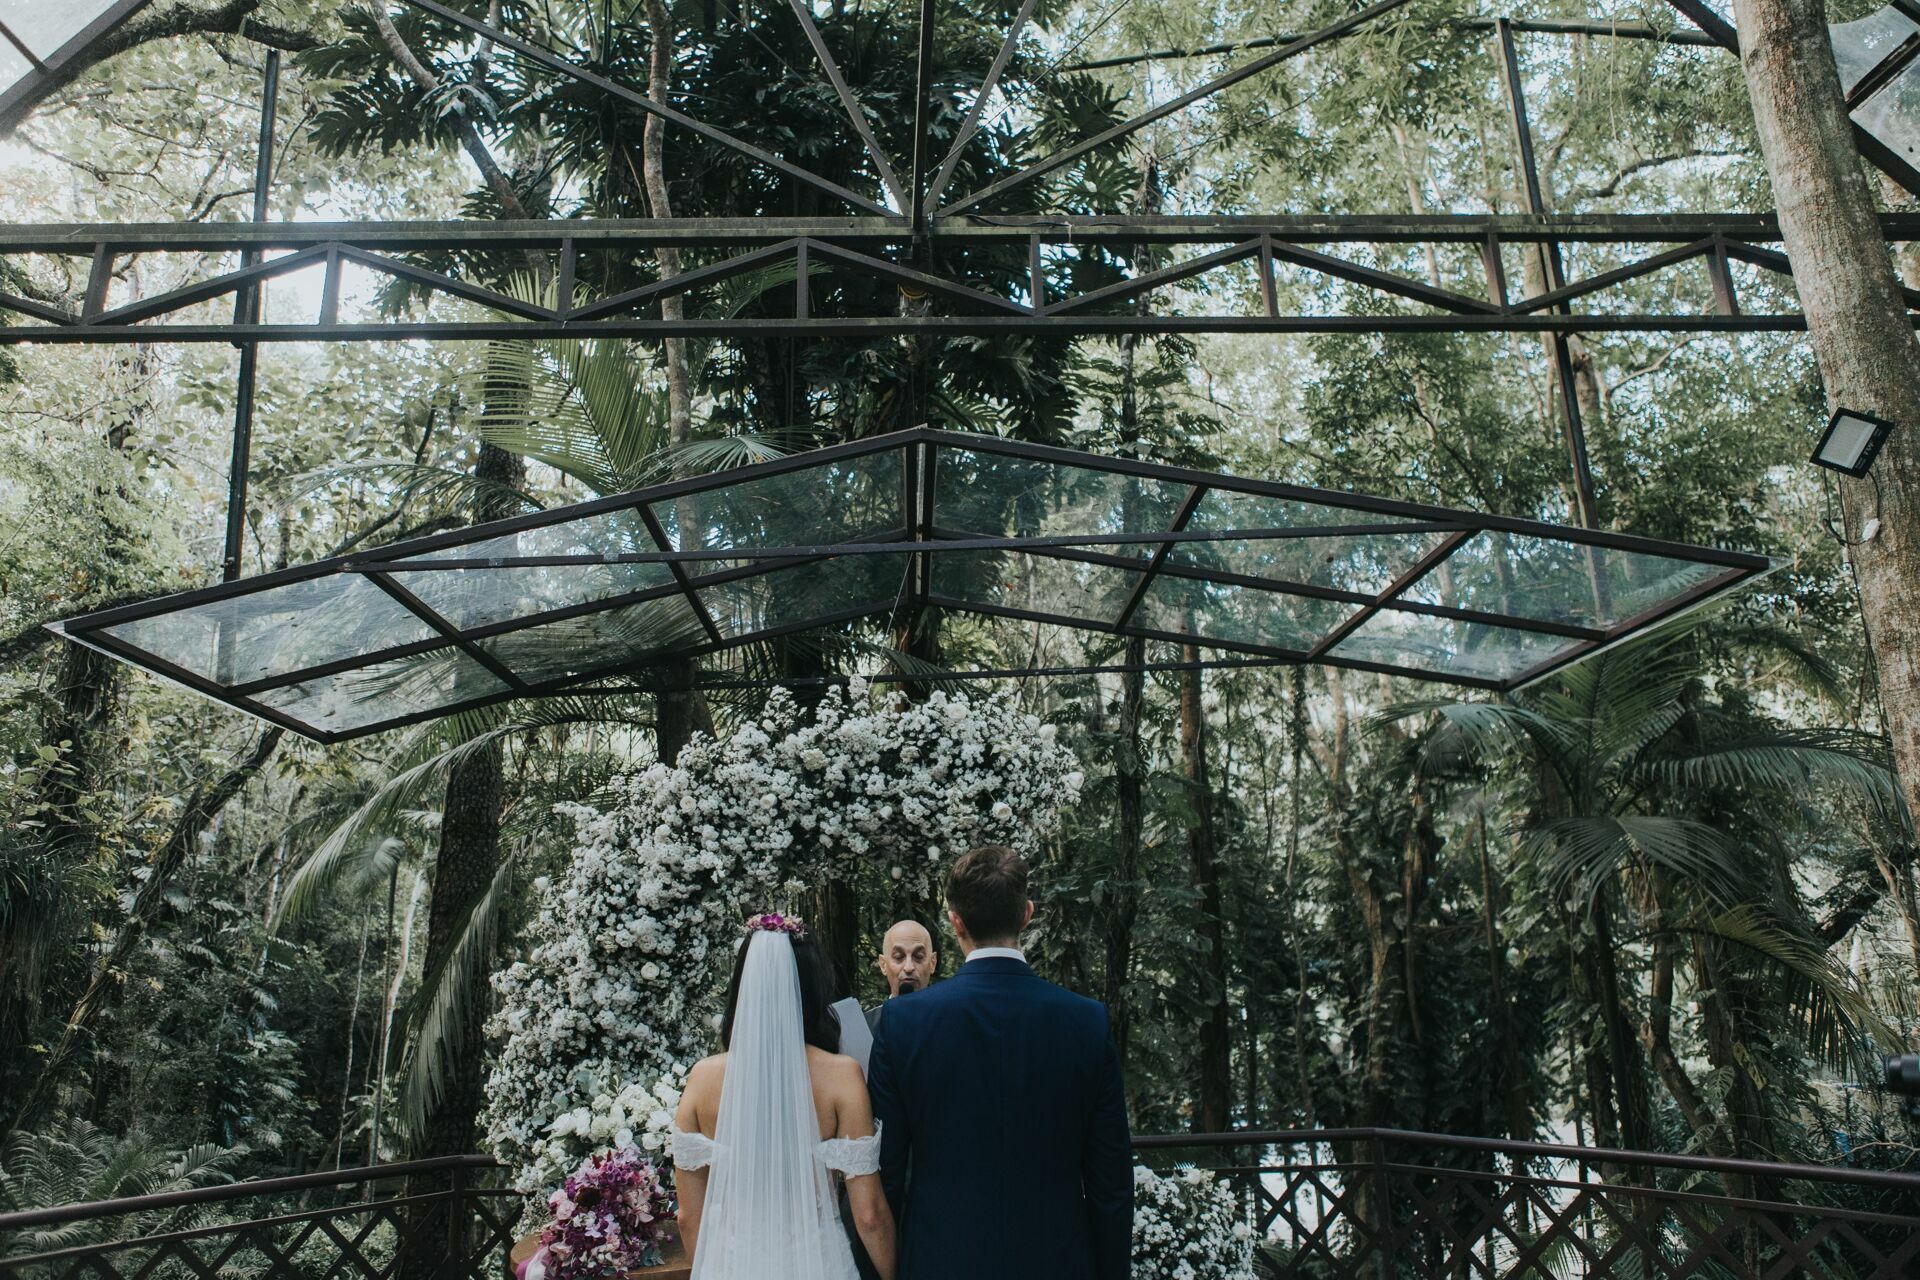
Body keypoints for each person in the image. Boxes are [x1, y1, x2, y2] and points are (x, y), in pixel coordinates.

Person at [867, 847, 1132, 1280]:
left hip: (940, 1262)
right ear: (1026, 915)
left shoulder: (903, 1023)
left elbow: (887, 1175)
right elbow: (1111, 1186)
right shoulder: (1086, 1022)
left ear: (955, 922)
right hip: (1058, 1264)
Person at [672, 913, 898, 1280]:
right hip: (818, 1265)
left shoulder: (702, 1079)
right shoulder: (841, 1076)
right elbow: (869, 1215)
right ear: (811, 987)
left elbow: (688, 1218)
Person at [867, 919, 939, 1034]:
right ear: (883, 964)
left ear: (932, 963)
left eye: (918, 956)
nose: (908, 967)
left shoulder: (950, 1022)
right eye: (899, 957)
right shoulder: (865, 1026)